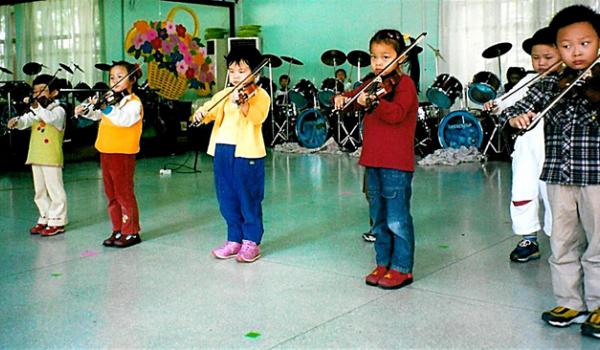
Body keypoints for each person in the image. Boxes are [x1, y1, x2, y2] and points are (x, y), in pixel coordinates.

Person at [501, 5, 600, 339]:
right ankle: (571, 302)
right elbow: (519, 105)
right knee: (562, 242)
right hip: (558, 175)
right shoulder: (552, 84)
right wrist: (516, 117)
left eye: (584, 43)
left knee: (599, 244)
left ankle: (599, 304)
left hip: (596, 177)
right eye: (567, 46)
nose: (575, 52)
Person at [334, 29, 419, 289]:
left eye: (385, 56)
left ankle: (402, 267)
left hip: (396, 163)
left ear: (401, 59)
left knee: (397, 219)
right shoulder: (373, 83)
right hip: (373, 160)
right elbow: (353, 98)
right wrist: (343, 98)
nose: (378, 63)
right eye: (374, 57)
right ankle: (383, 262)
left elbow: (395, 114)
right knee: (378, 218)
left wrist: (373, 103)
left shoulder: (405, 85)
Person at [191, 47, 270, 263]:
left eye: (242, 71)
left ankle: (251, 241)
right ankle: (234, 239)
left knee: (248, 197)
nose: (236, 75)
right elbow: (209, 109)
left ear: (256, 73)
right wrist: (200, 114)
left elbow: (256, 118)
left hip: (247, 153)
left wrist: (243, 103)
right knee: (227, 198)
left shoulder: (260, 95)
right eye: (232, 71)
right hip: (222, 150)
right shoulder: (224, 94)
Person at [489, 27, 560, 263]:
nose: (541, 63)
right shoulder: (529, 81)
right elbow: (505, 107)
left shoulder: (566, 82)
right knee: (522, 191)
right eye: (536, 58)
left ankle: (559, 240)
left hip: (554, 151)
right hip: (526, 148)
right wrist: (502, 112)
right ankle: (528, 239)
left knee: (553, 197)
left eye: (548, 58)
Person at [74, 61, 144, 248]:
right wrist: (86, 110)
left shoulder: (134, 103)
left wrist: (104, 106)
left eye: (120, 77)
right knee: (111, 194)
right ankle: (117, 228)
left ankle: (131, 231)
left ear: (133, 79)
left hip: (122, 153)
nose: (115, 80)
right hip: (106, 151)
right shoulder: (112, 99)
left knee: (124, 194)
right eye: (112, 77)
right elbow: (99, 115)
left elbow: (124, 120)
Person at [7, 74, 68, 236]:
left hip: (51, 155)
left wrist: (36, 106)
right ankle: (45, 216)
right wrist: (17, 122)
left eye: (43, 90)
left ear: (54, 93)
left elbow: (50, 119)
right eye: (35, 91)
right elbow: (26, 121)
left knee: (55, 189)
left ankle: (58, 220)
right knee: (39, 190)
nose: (38, 94)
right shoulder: (36, 110)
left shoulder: (58, 110)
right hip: (36, 154)